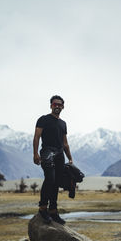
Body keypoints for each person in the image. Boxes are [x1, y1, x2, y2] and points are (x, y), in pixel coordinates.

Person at [33, 95, 73, 225]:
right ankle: (43, 208)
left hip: (60, 154)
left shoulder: (63, 123)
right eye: (55, 104)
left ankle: (53, 211)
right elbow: (36, 137)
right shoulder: (43, 119)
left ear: (63, 107)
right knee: (50, 178)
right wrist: (35, 154)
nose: (57, 106)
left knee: (57, 182)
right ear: (51, 105)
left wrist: (70, 158)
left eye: (59, 104)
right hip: (47, 152)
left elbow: (65, 143)